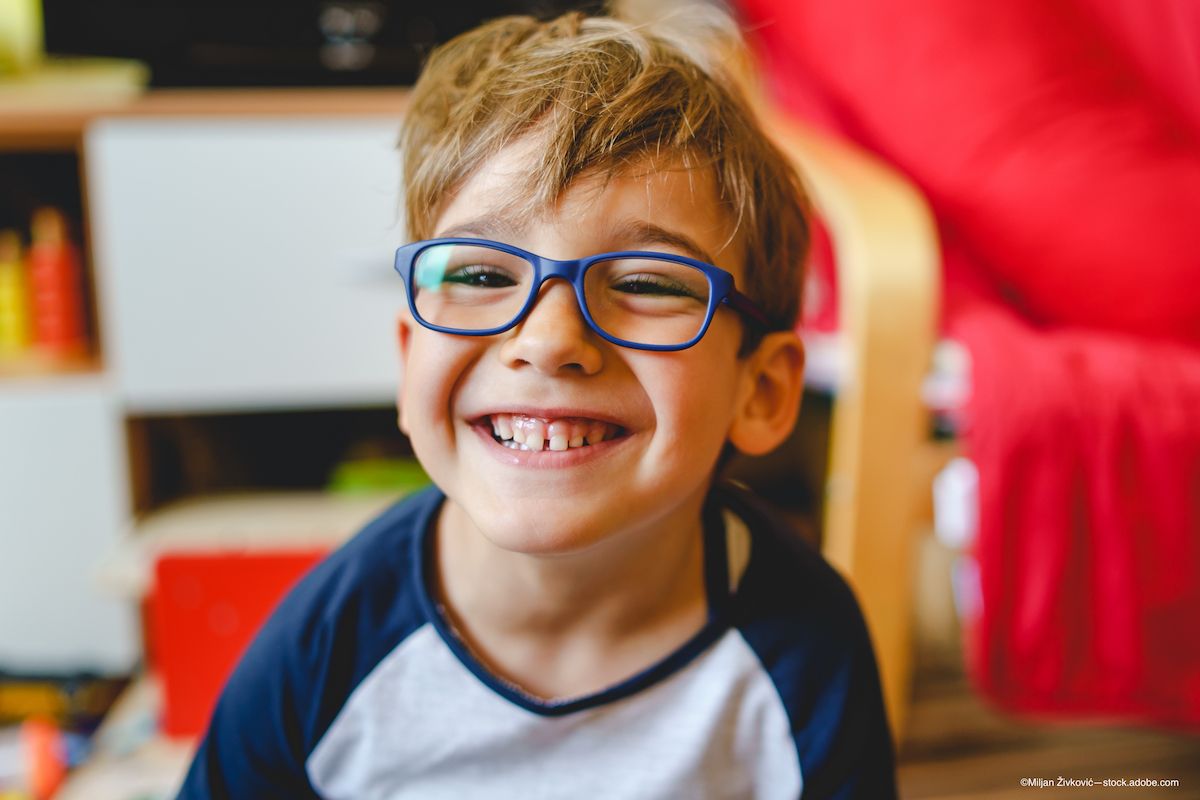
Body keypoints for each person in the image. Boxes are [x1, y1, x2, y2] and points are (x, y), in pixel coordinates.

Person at [177, 9, 895, 798]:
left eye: (648, 283)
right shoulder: (325, 649)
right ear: (410, 356)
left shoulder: (808, 650)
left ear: (759, 391)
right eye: (482, 276)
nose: (549, 339)